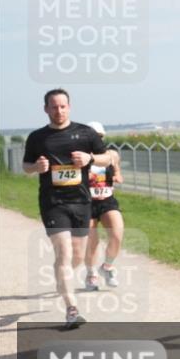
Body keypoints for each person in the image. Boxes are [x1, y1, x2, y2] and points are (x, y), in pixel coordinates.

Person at [22, 89, 112, 328]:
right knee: (63, 253)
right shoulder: (37, 138)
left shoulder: (85, 133)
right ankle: (72, 309)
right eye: (53, 107)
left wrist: (90, 159)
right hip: (53, 203)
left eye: (62, 106)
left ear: (69, 107)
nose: (58, 111)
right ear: (46, 109)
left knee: (77, 256)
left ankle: (63, 279)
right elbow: (25, 166)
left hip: (81, 201)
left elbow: (108, 158)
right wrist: (36, 168)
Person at [82, 121, 125, 291]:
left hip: (107, 200)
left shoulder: (111, 155)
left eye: (99, 137)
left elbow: (118, 172)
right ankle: (91, 274)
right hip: (86, 202)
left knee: (117, 231)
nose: (96, 140)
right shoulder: (81, 157)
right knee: (92, 240)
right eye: (92, 137)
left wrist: (118, 177)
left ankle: (107, 267)